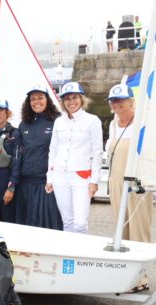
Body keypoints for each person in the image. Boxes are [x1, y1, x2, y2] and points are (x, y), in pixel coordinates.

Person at [106, 84, 153, 268]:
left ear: (131, 101)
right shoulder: (112, 124)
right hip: (116, 180)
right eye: (113, 101)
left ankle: (141, 274)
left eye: (120, 100)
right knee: (120, 225)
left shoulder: (143, 122)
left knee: (139, 226)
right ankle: (124, 268)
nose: (116, 104)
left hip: (138, 180)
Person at [46, 82, 102, 234]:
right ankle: (69, 254)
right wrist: (49, 178)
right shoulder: (59, 121)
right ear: (63, 102)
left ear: (81, 99)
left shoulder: (93, 120)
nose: (71, 102)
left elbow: (98, 153)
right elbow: (53, 150)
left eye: (75, 97)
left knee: (80, 223)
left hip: (81, 176)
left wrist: (94, 181)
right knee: (67, 221)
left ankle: (82, 253)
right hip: (59, 176)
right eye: (67, 98)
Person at [16, 85, 63, 230]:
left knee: (49, 225)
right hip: (25, 184)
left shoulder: (58, 121)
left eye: (40, 98)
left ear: (47, 100)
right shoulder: (24, 124)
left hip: (46, 184)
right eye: (33, 99)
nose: (36, 101)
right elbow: (18, 154)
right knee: (26, 226)